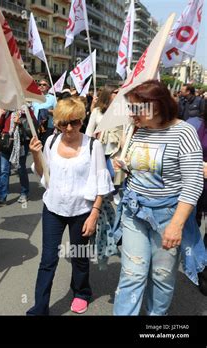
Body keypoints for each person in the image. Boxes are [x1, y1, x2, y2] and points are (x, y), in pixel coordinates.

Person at [112, 80, 206, 315]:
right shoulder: (137, 130)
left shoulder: (183, 132)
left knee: (161, 276)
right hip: (134, 211)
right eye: (130, 108)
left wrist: (176, 225)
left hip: (168, 216)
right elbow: (140, 168)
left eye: (136, 108)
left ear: (156, 106)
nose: (131, 114)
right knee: (132, 274)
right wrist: (125, 165)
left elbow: (193, 183)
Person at [26, 97, 114, 315]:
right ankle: (40, 307)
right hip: (53, 209)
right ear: (56, 123)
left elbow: (102, 183)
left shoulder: (93, 146)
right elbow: (42, 174)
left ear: (81, 120)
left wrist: (94, 214)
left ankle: (82, 292)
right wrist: (36, 155)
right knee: (48, 260)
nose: (68, 127)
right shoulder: (51, 142)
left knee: (79, 256)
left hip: (82, 211)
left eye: (74, 122)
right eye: (63, 123)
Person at [31, 79, 57, 145]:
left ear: (48, 87)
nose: (42, 86)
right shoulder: (34, 98)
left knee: (45, 147)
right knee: (36, 146)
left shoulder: (52, 98)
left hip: (47, 127)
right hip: (35, 126)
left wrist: (47, 111)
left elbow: (57, 112)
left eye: (44, 84)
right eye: (40, 84)